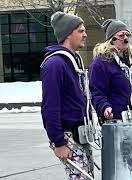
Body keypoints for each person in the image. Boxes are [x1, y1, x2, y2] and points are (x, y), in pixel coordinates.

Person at [40, 12, 94, 179]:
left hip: (80, 133)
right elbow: (50, 106)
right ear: (68, 33)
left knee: (87, 175)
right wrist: (59, 142)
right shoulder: (55, 64)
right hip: (66, 135)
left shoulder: (73, 60)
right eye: (80, 31)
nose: (85, 34)